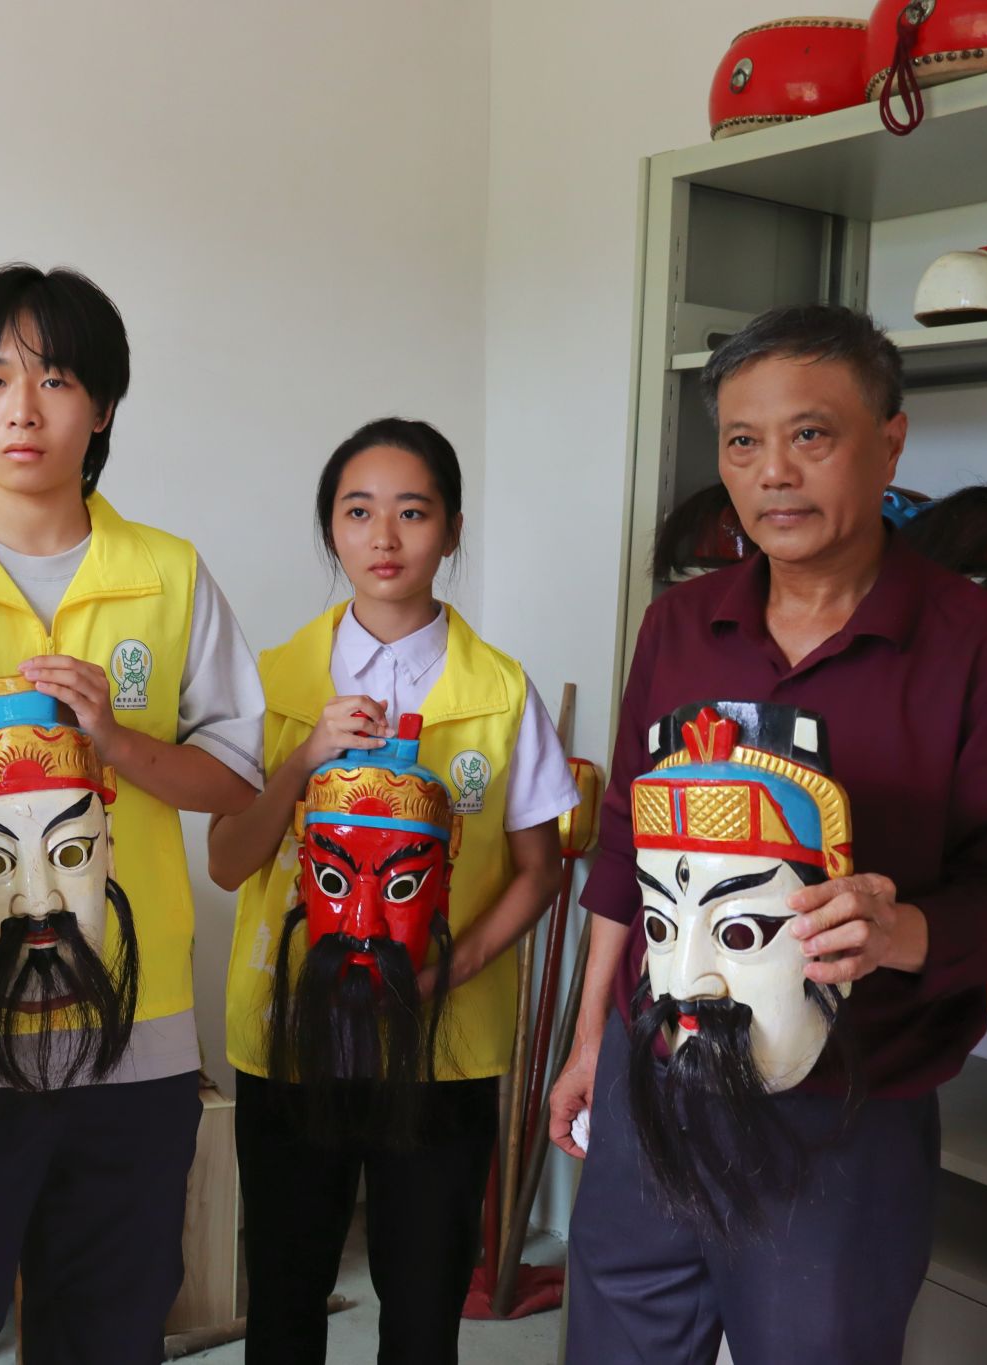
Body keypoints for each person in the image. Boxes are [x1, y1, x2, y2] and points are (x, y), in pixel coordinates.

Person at [549, 305, 987, 1364]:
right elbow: (624, 842)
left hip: (846, 1104)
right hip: (658, 1067)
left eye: (810, 435)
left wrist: (897, 928)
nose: (773, 474)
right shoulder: (679, 624)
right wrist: (590, 1041)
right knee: (618, 1336)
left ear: (890, 441)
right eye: (742, 442)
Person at [0, 263, 265, 1364]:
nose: (22, 408)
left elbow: (235, 780)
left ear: (102, 406)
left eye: (56, 379)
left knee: (110, 1330)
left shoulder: (167, 574)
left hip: (135, 1034)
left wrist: (117, 741)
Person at [211, 418, 577, 1364]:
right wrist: (304, 755)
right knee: (286, 1295)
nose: (384, 537)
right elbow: (228, 859)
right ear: (329, 529)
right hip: (292, 1034)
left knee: (422, 1304)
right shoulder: (272, 682)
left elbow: (541, 869)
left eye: (413, 512)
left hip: (441, 1045)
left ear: (452, 530)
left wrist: (444, 974)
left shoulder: (500, 691)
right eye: (358, 511)